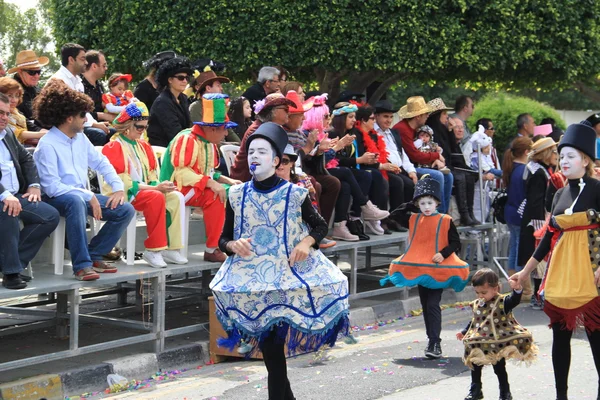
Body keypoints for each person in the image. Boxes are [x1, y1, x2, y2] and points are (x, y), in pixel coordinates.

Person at [210, 122, 350, 400]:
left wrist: (306, 243)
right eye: (250, 151)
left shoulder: (294, 193)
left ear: (276, 161)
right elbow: (222, 240)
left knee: (273, 352)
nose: (254, 157)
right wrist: (232, 245)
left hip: (288, 280)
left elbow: (320, 226)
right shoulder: (236, 194)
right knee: (273, 355)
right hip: (251, 283)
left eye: (261, 152)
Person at [512, 121, 600, 400]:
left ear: (585, 160)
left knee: (597, 337)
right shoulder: (559, 193)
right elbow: (549, 239)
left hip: (591, 268)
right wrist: (524, 273)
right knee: (561, 338)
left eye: (571, 156)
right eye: (561, 156)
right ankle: (561, 396)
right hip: (562, 271)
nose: (564, 161)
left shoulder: (598, 189)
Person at [33, 80, 135, 280]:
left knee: (125, 209)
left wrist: (118, 188)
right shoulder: (47, 145)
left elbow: (101, 162)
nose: (86, 120)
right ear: (69, 118)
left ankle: (94, 254)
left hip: (79, 196)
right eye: (83, 116)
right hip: (55, 198)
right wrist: (88, 195)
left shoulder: (80, 137)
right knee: (75, 201)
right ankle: (81, 265)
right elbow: (52, 187)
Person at [381, 176, 468, 359]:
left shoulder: (446, 220)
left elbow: (456, 243)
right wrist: (412, 203)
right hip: (421, 269)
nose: (426, 207)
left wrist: (443, 254)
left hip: (438, 270)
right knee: (425, 305)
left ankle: (435, 342)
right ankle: (431, 340)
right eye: (422, 203)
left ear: (437, 202)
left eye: (430, 202)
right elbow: (393, 215)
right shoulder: (414, 219)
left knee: (432, 304)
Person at [102, 102, 188, 268]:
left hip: (143, 192)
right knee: (155, 196)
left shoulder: (143, 146)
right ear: (127, 125)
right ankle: (153, 250)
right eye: (139, 127)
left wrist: (160, 184)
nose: (143, 131)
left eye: (145, 127)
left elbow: (151, 175)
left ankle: (171, 248)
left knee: (175, 196)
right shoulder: (114, 146)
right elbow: (123, 183)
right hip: (121, 194)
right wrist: (156, 188)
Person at [159, 93, 241, 262]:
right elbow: (182, 174)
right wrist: (211, 183)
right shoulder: (187, 139)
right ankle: (213, 248)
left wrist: (227, 180)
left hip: (192, 187)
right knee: (215, 195)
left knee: (237, 192)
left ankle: (230, 244)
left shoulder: (207, 142)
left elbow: (206, 171)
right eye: (224, 128)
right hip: (174, 188)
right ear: (212, 129)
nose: (226, 133)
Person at [0, 93, 59, 289]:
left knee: (49, 215)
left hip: (15, 195)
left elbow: (26, 158)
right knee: (9, 211)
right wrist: (4, 194)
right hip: (3, 197)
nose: (4, 118)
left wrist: (34, 185)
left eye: (7, 114)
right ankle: (11, 273)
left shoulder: (7, 133)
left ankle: (12, 263)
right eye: (0, 113)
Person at [459, 268, 537, 400]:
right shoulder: (478, 303)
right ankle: (476, 390)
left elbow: (514, 300)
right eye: (477, 292)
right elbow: (476, 320)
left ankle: (505, 392)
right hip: (479, 343)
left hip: (497, 344)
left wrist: (517, 290)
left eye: (484, 292)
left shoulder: (502, 302)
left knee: (499, 368)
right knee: (475, 365)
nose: (480, 296)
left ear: (495, 289)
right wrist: (464, 331)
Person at [329, 103, 390, 239]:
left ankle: (351, 219)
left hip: (345, 171)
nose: (353, 120)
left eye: (354, 117)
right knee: (358, 174)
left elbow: (349, 158)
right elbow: (334, 160)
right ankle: (365, 207)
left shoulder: (350, 134)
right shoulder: (333, 133)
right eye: (350, 117)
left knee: (362, 178)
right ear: (341, 118)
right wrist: (359, 160)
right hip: (331, 170)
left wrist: (368, 160)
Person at [393, 96, 454, 214]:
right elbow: (414, 155)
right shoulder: (403, 129)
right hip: (406, 167)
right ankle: (435, 213)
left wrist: (435, 157)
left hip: (417, 164)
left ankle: (443, 213)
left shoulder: (416, 128)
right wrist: (436, 156)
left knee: (448, 176)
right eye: (426, 114)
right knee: (438, 176)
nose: (427, 116)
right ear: (418, 116)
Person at [427, 99, 479, 226]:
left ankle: (470, 213)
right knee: (460, 177)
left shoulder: (443, 130)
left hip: (448, 164)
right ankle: (464, 214)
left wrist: (450, 130)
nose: (447, 117)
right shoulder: (431, 131)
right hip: (438, 166)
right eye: (444, 114)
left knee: (469, 175)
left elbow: (451, 148)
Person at [48, 43, 113, 145]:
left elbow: (83, 109)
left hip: (79, 124)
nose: (86, 62)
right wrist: (94, 124)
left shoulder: (78, 81)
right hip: (64, 129)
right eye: (83, 59)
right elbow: (68, 113)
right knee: (100, 134)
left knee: (113, 132)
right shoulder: (59, 80)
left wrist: (94, 123)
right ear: (71, 60)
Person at [517, 137, 557, 303]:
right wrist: (541, 222)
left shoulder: (536, 168)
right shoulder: (539, 172)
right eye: (553, 151)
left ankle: (536, 294)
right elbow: (536, 199)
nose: (556, 154)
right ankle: (537, 295)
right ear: (545, 153)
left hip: (532, 216)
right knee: (539, 257)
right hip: (536, 219)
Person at [229, 92, 294, 182]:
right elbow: (260, 164)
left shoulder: (272, 128)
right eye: (285, 109)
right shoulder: (258, 131)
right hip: (249, 180)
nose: (289, 113)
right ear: (274, 112)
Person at [501, 137, 532, 276]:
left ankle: (512, 276)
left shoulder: (511, 167)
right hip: (520, 213)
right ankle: (520, 281)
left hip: (510, 211)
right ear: (526, 152)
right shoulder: (524, 170)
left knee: (514, 246)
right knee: (521, 248)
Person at [147, 57, 193, 147]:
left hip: (180, 145)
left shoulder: (183, 98)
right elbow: (174, 132)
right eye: (181, 78)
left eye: (186, 78)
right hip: (163, 150)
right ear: (170, 80)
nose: (185, 81)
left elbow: (188, 126)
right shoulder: (162, 102)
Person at [9, 50, 49, 133]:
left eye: (38, 72)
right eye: (32, 72)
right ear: (20, 72)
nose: (37, 76)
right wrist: (39, 131)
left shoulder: (38, 90)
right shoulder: (10, 90)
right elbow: (16, 116)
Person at [0, 77, 46, 144]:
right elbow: (15, 132)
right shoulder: (3, 115)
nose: (14, 100)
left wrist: (45, 132)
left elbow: (31, 126)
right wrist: (41, 134)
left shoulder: (17, 112)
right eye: (9, 96)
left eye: (17, 96)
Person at [81, 50, 111, 123]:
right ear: (94, 66)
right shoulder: (78, 84)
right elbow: (79, 113)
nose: (106, 68)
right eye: (104, 66)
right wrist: (102, 115)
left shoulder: (99, 85)